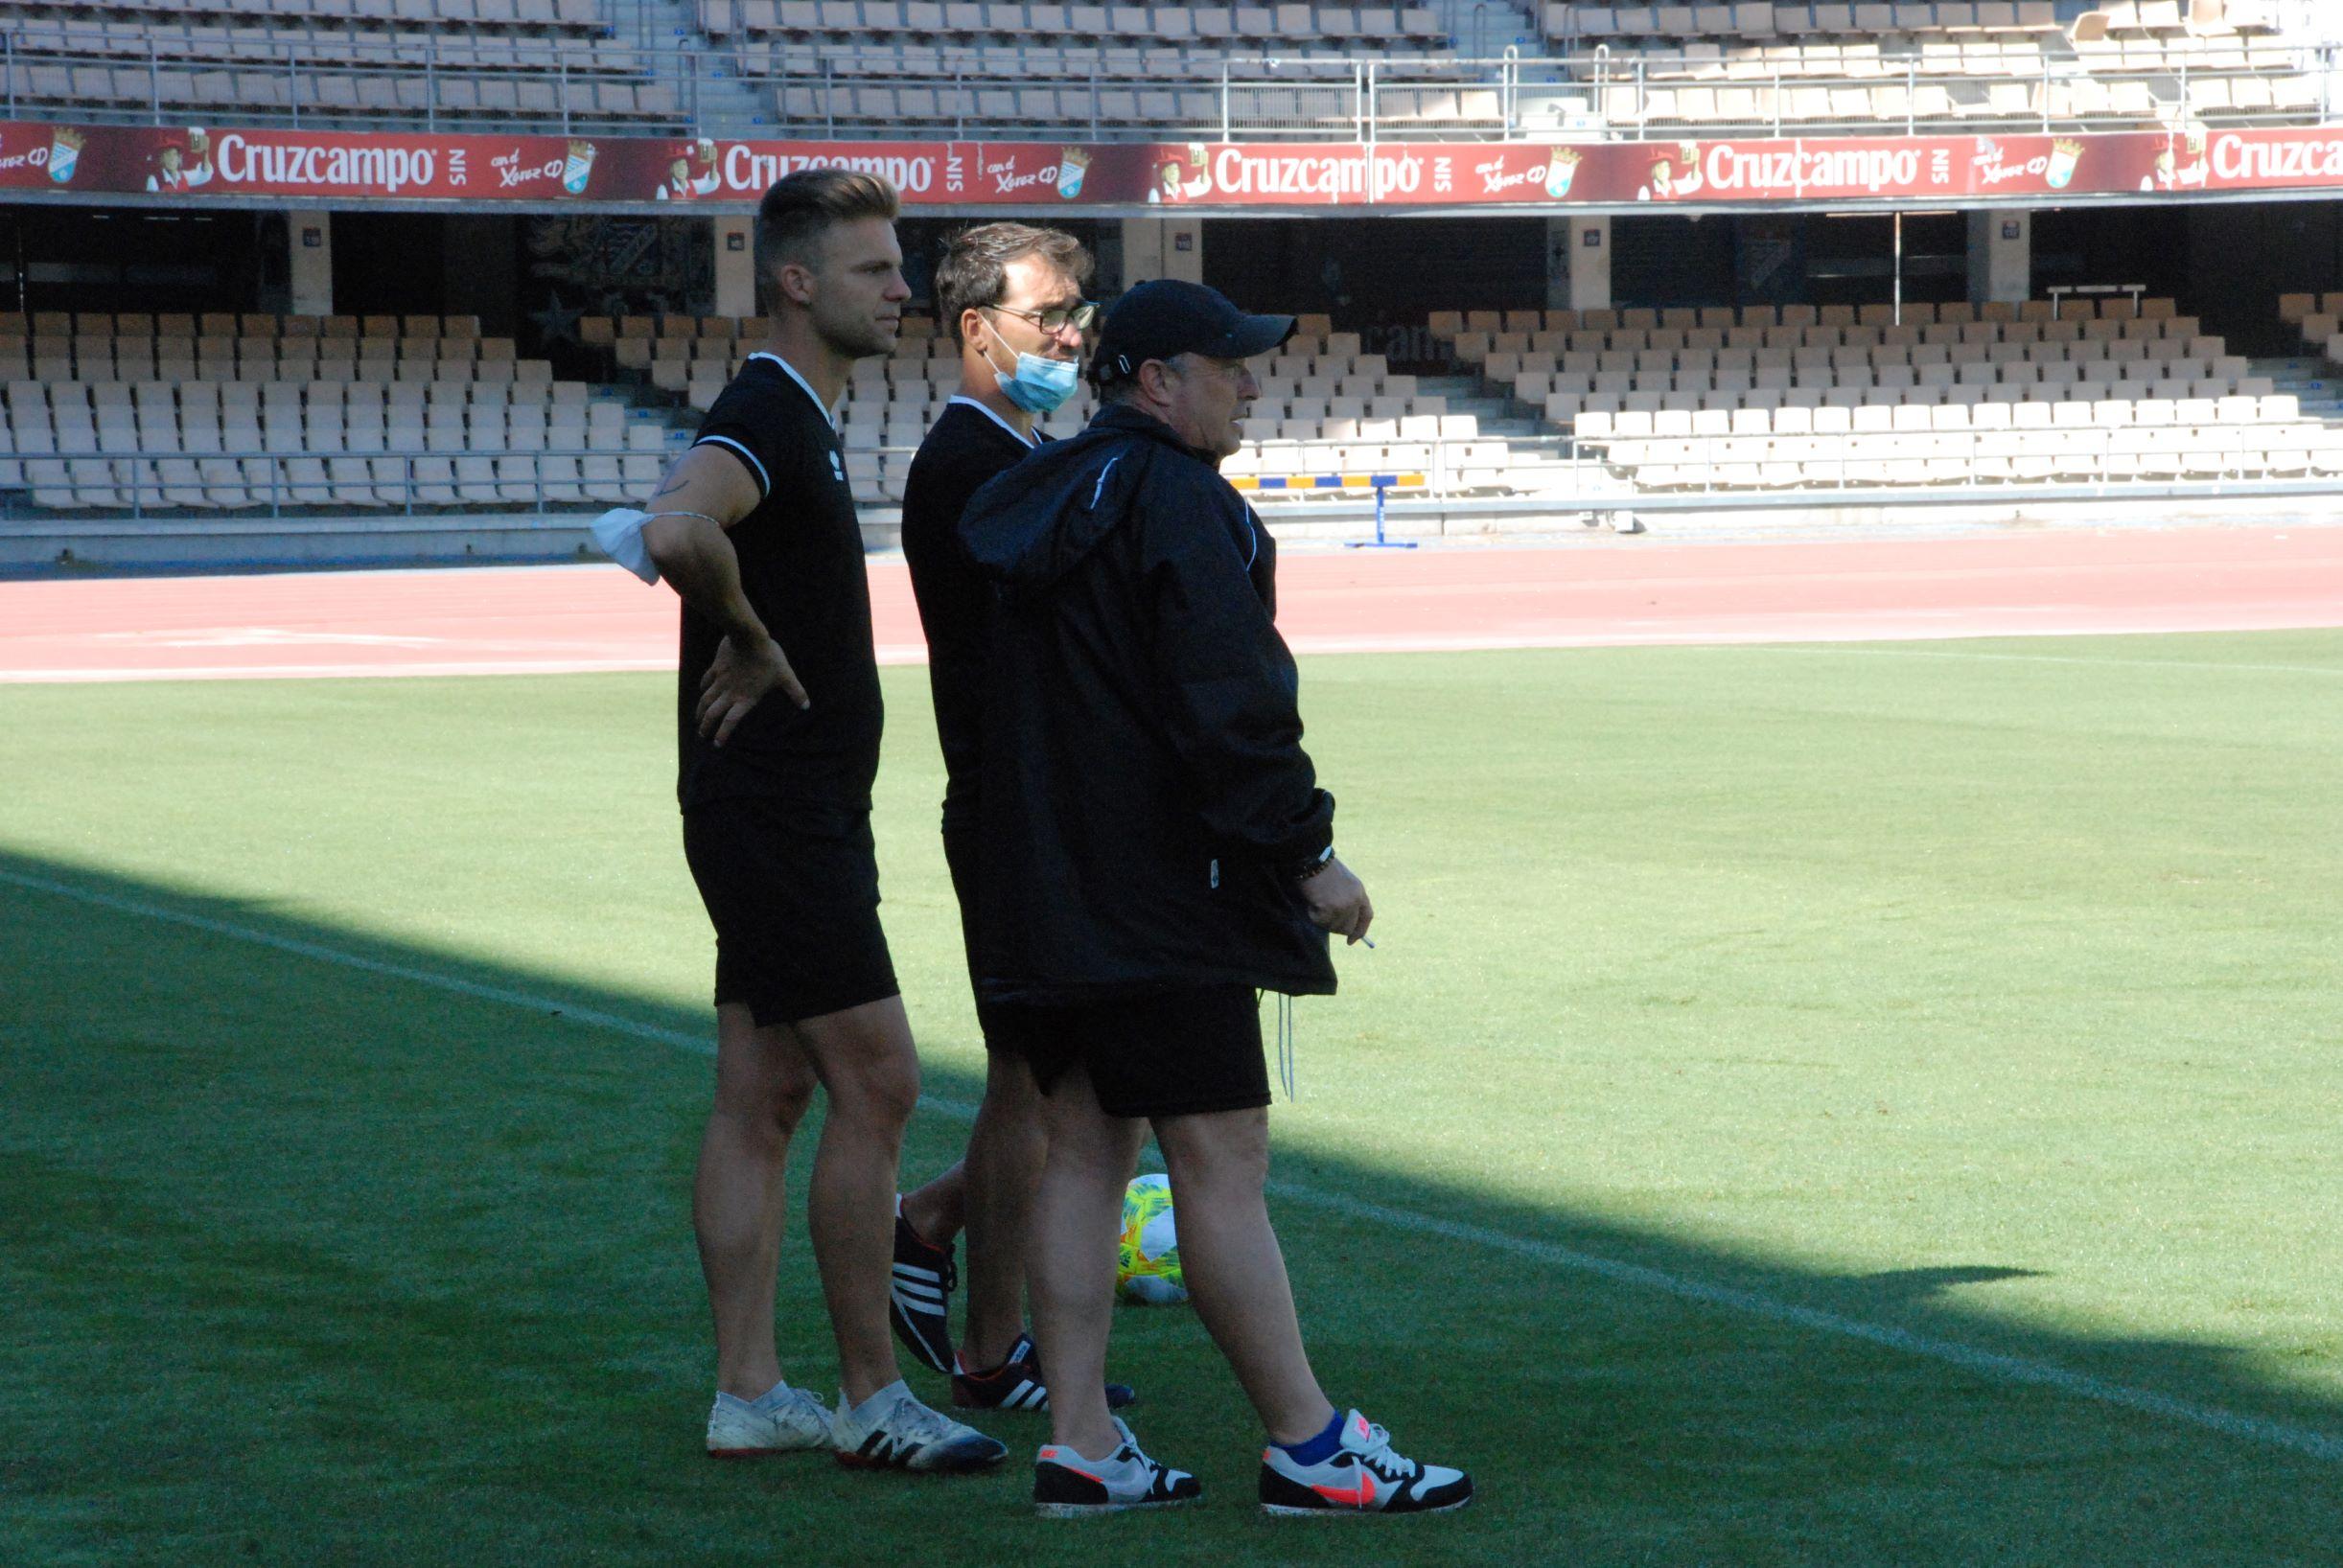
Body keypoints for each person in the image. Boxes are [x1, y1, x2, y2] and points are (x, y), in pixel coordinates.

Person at [956, 279, 1474, 1518]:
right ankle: (1307, 1441)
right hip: (1163, 897)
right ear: (1156, 382)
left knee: (1084, 1148)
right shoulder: (1185, 504)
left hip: (1044, 887)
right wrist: (1308, 859)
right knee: (1221, 1154)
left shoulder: (1032, 494)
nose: (1250, 384)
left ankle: (1080, 1441)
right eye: (1226, 365)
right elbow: (1230, 710)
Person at [626, 169, 1003, 1473]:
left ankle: (749, 1394)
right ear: (797, 280)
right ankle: (869, 1399)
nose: (902, 287)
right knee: (880, 1082)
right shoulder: (772, 415)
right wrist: (741, 630)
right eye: (872, 269)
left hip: (778, 812)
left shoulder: (807, 417)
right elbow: (677, 525)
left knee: (764, 1089)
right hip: (778, 816)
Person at [886, 222, 1131, 1416]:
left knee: (1035, 1079)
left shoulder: (1013, 446)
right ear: (976, 328)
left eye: (1078, 315)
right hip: (1011, 804)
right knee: (1031, 1082)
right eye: (1048, 317)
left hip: (1030, 802)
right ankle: (987, 1346)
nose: (1070, 335)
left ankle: (942, 1244)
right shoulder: (971, 461)